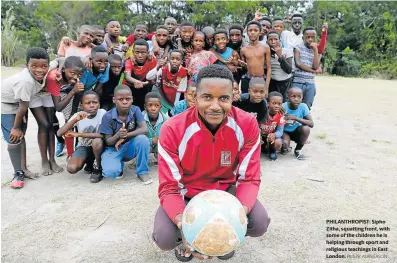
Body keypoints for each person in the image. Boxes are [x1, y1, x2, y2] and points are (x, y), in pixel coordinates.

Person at [152, 65, 270, 261]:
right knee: (164, 238)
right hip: (187, 194)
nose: (215, 106)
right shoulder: (172, 129)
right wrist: (185, 226)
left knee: (259, 223)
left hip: (225, 194)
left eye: (223, 98)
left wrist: (235, 219)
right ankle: (186, 242)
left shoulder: (247, 123)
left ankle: (225, 241)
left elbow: (249, 178)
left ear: (234, 96)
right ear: (194, 97)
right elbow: (169, 187)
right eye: (207, 97)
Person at [1, 47, 50, 188]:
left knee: (22, 135)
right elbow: (22, 107)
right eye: (34, 66)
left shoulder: (45, 69)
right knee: (14, 138)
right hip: (8, 104)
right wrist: (15, 127)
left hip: (23, 101)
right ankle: (18, 173)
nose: (40, 70)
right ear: (27, 65)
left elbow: (56, 62)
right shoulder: (25, 81)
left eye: (44, 66)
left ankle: (24, 168)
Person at [99, 84, 152, 184]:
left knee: (143, 140)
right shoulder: (107, 116)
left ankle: (142, 171)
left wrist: (127, 135)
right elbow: (108, 141)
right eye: (121, 99)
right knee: (110, 173)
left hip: (129, 146)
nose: (124, 102)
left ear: (132, 99)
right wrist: (117, 135)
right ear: (114, 100)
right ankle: (118, 164)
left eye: (128, 99)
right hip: (113, 149)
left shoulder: (135, 110)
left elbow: (144, 129)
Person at [56, 91, 106, 183]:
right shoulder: (78, 115)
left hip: (100, 146)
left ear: (99, 104)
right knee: (72, 168)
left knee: (97, 141)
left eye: (95, 102)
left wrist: (79, 134)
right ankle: (89, 162)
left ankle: (98, 168)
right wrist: (75, 120)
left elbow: (102, 135)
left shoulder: (102, 113)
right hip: (84, 146)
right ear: (81, 106)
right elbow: (59, 133)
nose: (92, 105)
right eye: (88, 103)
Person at [46, 56, 85, 159]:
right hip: (43, 95)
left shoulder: (73, 79)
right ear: (63, 69)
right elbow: (58, 107)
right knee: (51, 120)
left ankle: (71, 153)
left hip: (63, 91)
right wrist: (73, 91)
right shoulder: (54, 77)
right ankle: (60, 142)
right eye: (72, 73)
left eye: (79, 75)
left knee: (70, 120)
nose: (76, 77)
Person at [146, 50, 188, 114]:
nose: (174, 61)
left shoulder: (183, 72)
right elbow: (148, 77)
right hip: (159, 95)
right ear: (169, 59)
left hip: (171, 99)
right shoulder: (163, 67)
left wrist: (175, 106)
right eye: (172, 58)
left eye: (178, 59)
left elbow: (179, 91)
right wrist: (157, 67)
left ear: (182, 61)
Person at [124, 39, 157, 110]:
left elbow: (153, 78)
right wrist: (138, 82)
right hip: (130, 87)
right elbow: (127, 76)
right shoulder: (130, 61)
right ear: (133, 52)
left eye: (143, 53)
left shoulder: (152, 60)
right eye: (137, 52)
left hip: (145, 87)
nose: (140, 55)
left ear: (148, 53)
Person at [282, 87, 314, 160]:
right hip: (285, 131)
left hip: (296, 131)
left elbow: (311, 124)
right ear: (288, 96)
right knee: (285, 146)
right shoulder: (283, 106)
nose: (296, 99)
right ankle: (287, 145)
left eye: (299, 97)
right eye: (293, 96)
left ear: (302, 97)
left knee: (306, 128)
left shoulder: (303, 106)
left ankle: (298, 150)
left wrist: (295, 118)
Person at [240, 21, 271, 95]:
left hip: (260, 79)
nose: (253, 32)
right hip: (247, 79)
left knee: (260, 102)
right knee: (247, 102)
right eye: (250, 30)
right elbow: (243, 68)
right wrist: (243, 66)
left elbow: (269, 68)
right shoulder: (243, 50)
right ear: (247, 32)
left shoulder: (265, 47)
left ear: (260, 32)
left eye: (255, 30)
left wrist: (266, 88)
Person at [293, 27, 320, 109]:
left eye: (313, 37)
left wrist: (315, 50)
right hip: (298, 82)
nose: (310, 39)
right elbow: (298, 64)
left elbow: (315, 66)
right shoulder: (298, 48)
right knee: (294, 105)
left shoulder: (316, 50)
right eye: (308, 37)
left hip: (310, 83)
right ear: (303, 38)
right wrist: (313, 71)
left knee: (307, 107)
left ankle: (304, 122)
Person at [142, 92, 169, 164]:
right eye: (150, 105)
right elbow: (136, 138)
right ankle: (140, 160)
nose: (153, 108)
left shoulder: (166, 119)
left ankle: (160, 157)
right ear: (145, 107)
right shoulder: (140, 118)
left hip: (160, 145)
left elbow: (170, 137)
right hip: (146, 145)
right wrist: (151, 141)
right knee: (142, 145)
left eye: (156, 105)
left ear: (160, 107)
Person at [267, 30, 293, 101]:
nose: (273, 42)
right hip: (273, 83)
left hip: (286, 83)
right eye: (270, 39)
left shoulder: (287, 51)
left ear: (280, 40)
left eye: (276, 39)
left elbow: (289, 70)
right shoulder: (266, 53)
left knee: (284, 104)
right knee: (274, 104)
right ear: (267, 41)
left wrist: (280, 56)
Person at [259, 91, 285, 160]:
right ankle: (260, 149)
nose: (277, 106)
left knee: (278, 142)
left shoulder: (281, 116)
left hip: (271, 136)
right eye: (274, 103)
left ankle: (272, 151)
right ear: (268, 104)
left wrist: (274, 135)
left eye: (279, 104)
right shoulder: (262, 112)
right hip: (261, 135)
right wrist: (258, 135)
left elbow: (280, 131)